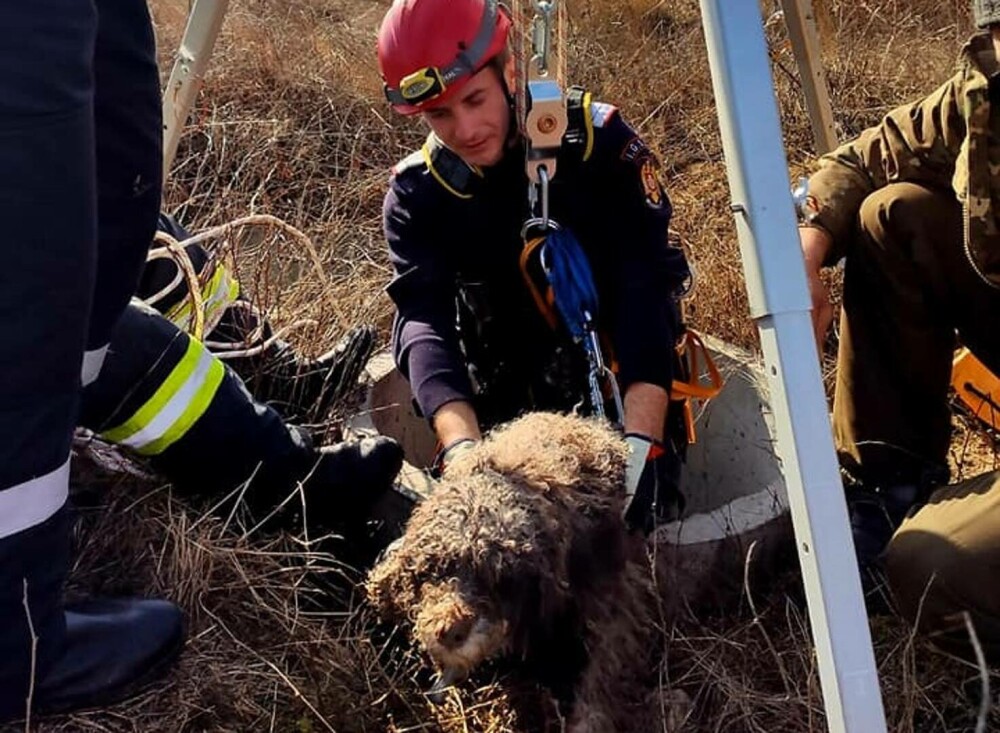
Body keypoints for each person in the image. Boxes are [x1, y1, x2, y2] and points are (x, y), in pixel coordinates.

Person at [376, 0, 692, 533]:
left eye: (476, 99)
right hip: (502, 411)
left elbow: (646, 288)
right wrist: (461, 450)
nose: (467, 128)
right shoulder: (419, 194)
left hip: (624, 388)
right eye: (440, 115)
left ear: (511, 70)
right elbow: (423, 321)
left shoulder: (599, 145)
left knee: (635, 536)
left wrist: (640, 444)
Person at [799, 0, 1000, 658]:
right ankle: (885, 487)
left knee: (928, 567)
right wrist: (810, 242)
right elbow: (873, 153)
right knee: (891, 214)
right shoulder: (987, 87)